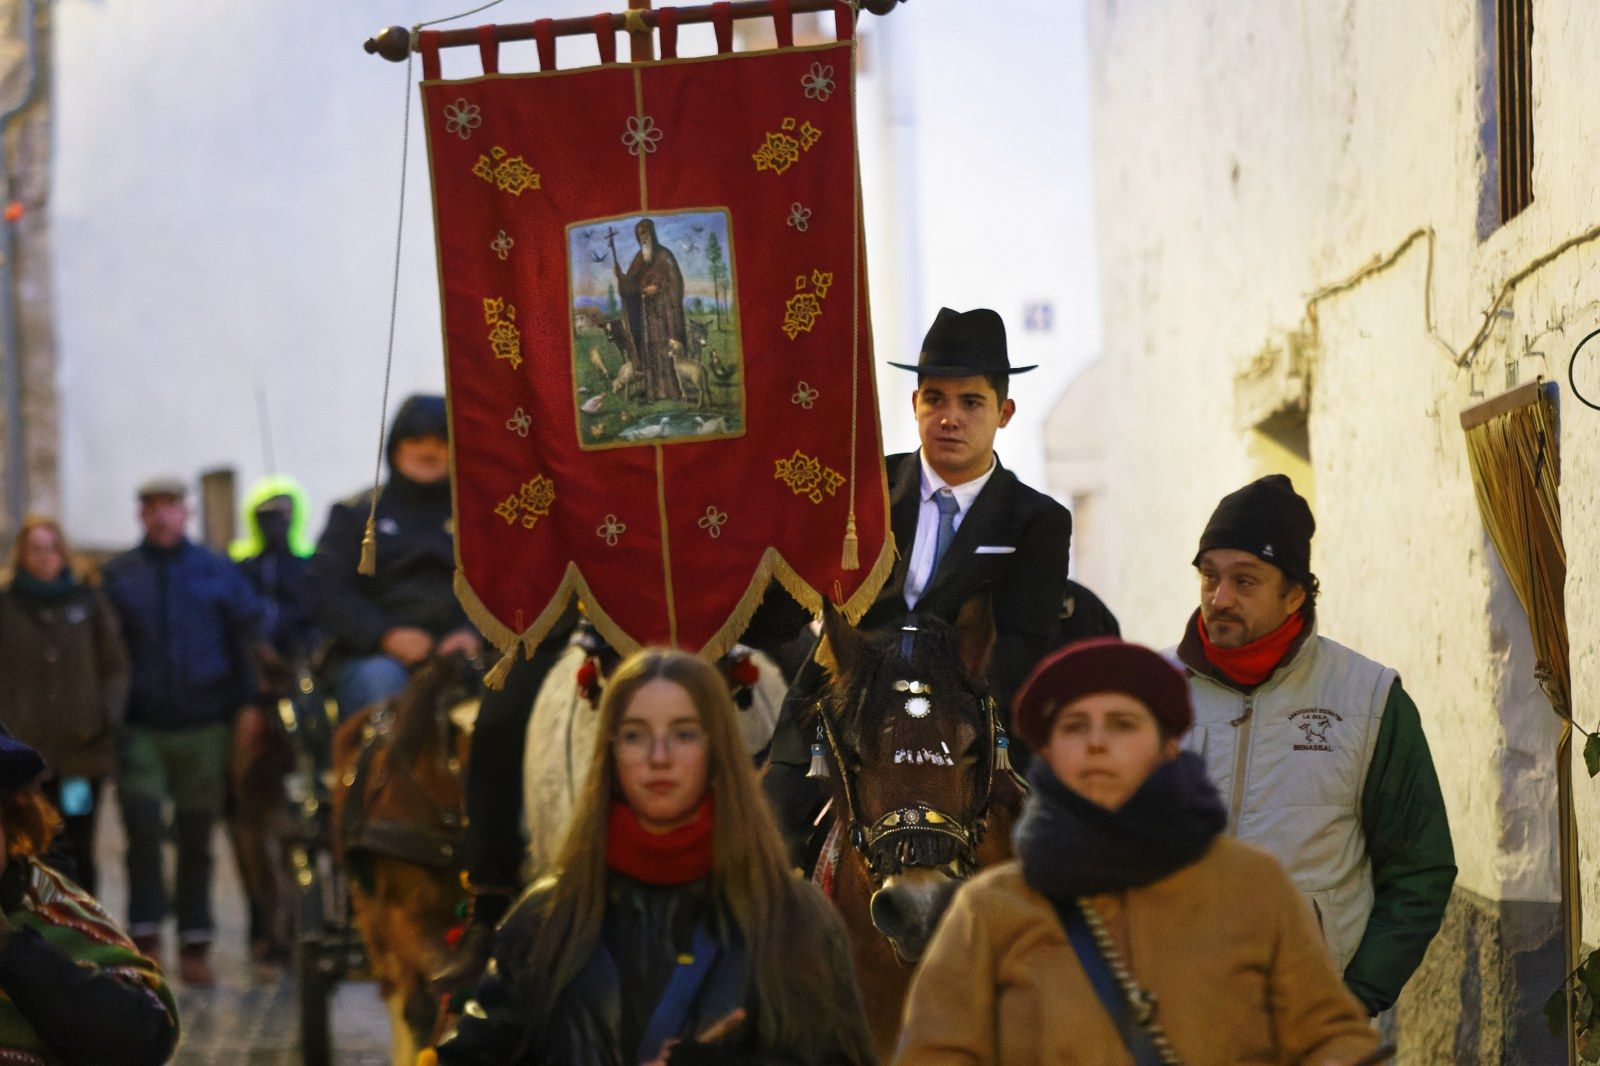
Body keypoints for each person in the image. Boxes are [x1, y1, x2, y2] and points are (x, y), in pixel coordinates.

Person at [894, 638, 1380, 1064]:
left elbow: (1329, 1033)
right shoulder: (990, 910)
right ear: (1048, 754)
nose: (1097, 743)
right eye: (1074, 727)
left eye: (1123, 724)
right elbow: (936, 1051)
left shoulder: (1253, 886)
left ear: (1169, 745)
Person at [435, 649, 875, 1065]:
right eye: (635, 735)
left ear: (717, 749)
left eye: (683, 734)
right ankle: (485, 900)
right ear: (610, 752)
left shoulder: (799, 922)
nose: (658, 757)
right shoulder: (543, 921)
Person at [764, 306, 1072, 861]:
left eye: (970, 402)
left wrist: (940, 714)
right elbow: (792, 598)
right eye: (935, 399)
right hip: (837, 709)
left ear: (1004, 412)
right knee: (766, 845)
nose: (949, 418)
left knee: (1042, 857)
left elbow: (1021, 646)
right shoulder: (864, 488)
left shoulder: (1038, 520)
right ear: (914, 405)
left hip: (961, 724)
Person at [1171, 474, 1455, 1015]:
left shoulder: (1368, 699)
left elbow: (1420, 869)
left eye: (1245, 582)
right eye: (1210, 577)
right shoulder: (1149, 691)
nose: (1220, 598)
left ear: (1296, 593)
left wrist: (1355, 998)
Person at [102, 475, 263, 986]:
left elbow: (245, 642)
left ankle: (196, 940)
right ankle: (144, 935)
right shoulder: (120, 576)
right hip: (142, 727)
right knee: (142, 828)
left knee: (197, 836)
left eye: (170, 506)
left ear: (185, 511)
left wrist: (251, 706)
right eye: (151, 507)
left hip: (204, 727)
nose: (162, 516)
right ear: (140, 515)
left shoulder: (217, 571)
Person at [0, 727, 178, 1064]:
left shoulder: (45, 909)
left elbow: (144, 1037)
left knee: (80, 838)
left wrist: (12, 950)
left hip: (78, 764)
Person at [307, 394, 481, 717]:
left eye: (440, 440)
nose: (429, 451)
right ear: (397, 448)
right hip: (375, 656)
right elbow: (327, 590)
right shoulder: (356, 512)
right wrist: (384, 635)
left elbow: (505, 582)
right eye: (417, 439)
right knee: (380, 683)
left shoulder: (480, 514)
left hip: (464, 651)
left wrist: (473, 632)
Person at [0, 516, 128, 895]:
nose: (43, 557)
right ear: (22, 555)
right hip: (24, 760)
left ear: (63, 552)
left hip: (80, 756)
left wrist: (105, 719)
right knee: (28, 844)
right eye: (34, 549)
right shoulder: (7, 606)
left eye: (50, 548)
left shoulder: (86, 601)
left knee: (78, 841)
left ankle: (86, 927)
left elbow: (114, 665)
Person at [229, 475, 318, 966]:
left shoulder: (306, 572)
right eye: (268, 517)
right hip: (249, 703)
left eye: (283, 516)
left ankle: (301, 920)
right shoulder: (239, 572)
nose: (276, 525)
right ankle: (264, 923)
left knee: (304, 812)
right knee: (248, 818)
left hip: (301, 703)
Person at [615, 217, 687, 402]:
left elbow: (675, 284)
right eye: (639, 236)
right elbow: (631, 286)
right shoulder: (639, 259)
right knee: (648, 351)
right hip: (646, 317)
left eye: (645, 234)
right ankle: (652, 393)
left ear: (652, 234)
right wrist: (622, 278)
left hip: (663, 316)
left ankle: (671, 391)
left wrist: (659, 288)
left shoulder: (664, 256)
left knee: (664, 350)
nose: (642, 239)